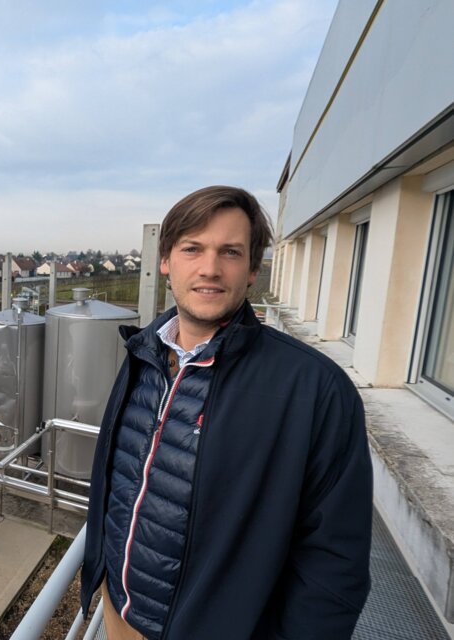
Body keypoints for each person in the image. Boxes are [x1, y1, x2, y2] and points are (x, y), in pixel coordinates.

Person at [80, 186, 372, 639]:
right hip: (119, 613)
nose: (210, 268)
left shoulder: (313, 389)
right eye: (192, 248)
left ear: (254, 268)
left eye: (230, 252)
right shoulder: (144, 354)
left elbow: (334, 561)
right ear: (166, 261)